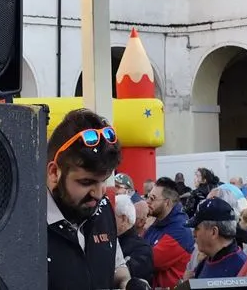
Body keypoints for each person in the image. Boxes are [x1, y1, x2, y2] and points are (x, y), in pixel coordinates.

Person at [45, 108, 130, 290]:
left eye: (104, 181)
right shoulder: (23, 224)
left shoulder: (104, 208)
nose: (99, 194)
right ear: (54, 172)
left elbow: (117, 266)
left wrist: (126, 283)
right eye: (86, 182)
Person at [145, 176, 194, 287]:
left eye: (152, 198)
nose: (148, 202)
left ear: (167, 203)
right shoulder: (158, 221)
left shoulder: (180, 229)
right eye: (148, 197)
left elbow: (151, 261)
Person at [186, 196, 247, 279]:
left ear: (214, 232)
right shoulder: (207, 260)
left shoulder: (242, 270)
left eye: (197, 229)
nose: (193, 234)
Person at [114, 194, 154, 283]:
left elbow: (125, 277)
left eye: (111, 216)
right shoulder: (106, 241)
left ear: (124, 219)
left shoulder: (142, 249)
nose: (106, 220)